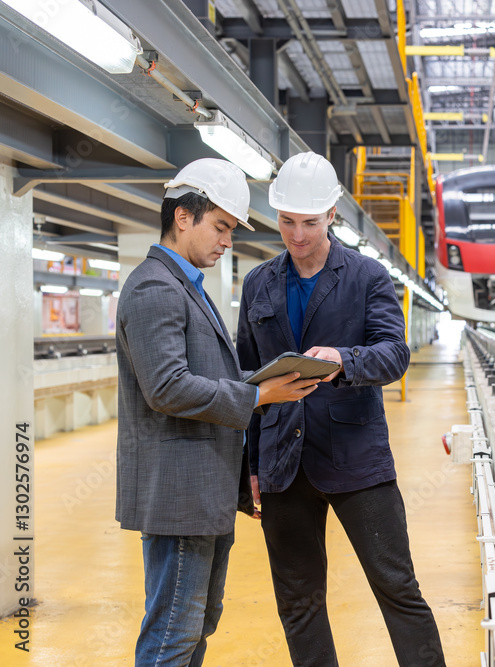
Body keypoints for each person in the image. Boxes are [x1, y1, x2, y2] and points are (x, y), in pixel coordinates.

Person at [236, 151, 445, 666]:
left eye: (309, 222)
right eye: (287, 221)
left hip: (356, 460)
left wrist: (342, 360)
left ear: (332, 215)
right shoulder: (257, 283)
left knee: (396, 587)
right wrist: (252, 469)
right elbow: (244, 378)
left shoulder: (367, 277)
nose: (298, 234)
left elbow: (395, 353)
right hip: (284, 462)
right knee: (299, 602)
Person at [116, 157, 321, 667]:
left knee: (198, 621)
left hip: (203, 490)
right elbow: (166, 388)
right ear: (183, 217)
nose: (228, 241)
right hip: (178, 493)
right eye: (222, 226)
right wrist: (259, 396)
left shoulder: (189, 287)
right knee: (173, 631)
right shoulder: (154, 287)